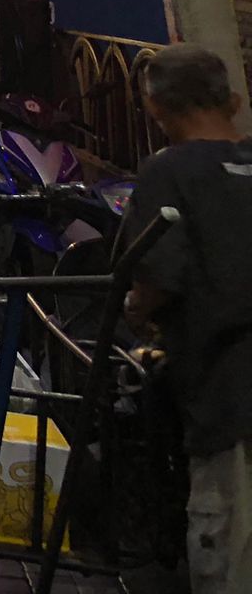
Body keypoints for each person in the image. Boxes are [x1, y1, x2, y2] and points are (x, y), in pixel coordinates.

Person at [120, 44, 252, 592]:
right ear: (234, 102)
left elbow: (155, 279)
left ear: (156, 109)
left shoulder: (170, 173)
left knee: (229, 545)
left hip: (227, 392)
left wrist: (134, 312)